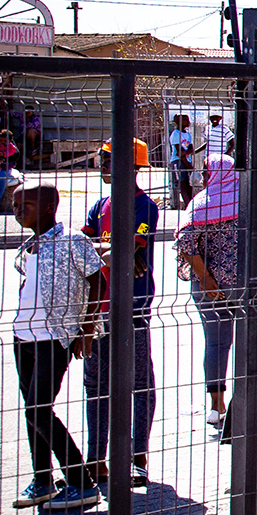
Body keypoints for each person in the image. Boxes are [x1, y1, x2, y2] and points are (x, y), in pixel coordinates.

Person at [10, 184, 106, 510]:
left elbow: (98, 281)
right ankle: (42, 480)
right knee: (33, 410)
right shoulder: (28, 246)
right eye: (15, 204)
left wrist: (87, 328)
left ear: (51, 205)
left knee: (38, 408)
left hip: (55, 337)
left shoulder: (72, 242)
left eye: (27, 204)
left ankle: (81, 481)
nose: (18, 210)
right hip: (23, 337)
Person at [82, 138, 158, 488]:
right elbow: (87, 247)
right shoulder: (99, 206)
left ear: (131, 165)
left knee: (138, 380)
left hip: (132, 306)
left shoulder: (145, 207)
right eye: (102, 159)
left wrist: (114, 249)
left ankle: (136, 455)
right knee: (96, 384)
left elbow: (130, 247)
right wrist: (109, 249)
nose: (103, 165)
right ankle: (96, 458)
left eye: (109, 159)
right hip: (98, 306)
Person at [173, 153, 242, 433]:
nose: (202, 177)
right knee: (254, 342)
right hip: (246, 284)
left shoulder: (200, 204)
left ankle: (217, 406)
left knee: (215, 344)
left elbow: (185, 243)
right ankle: (249, 402)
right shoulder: (248, 199)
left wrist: (206, 279)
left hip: (208, 288)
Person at [167, 114, 196, 206]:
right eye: (185, 120)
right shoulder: (175, 134)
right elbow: (178, 153)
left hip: (187, 161)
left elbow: (191, 149)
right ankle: (187, 205)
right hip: (178, 161)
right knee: (182, 183)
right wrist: (186, 159)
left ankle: (192, 204)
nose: (188, 122)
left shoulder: (187, 134)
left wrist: (186, 153)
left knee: (189, 184)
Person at [0, 129, 16, 210]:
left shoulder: (11, 147)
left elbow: (12, 152)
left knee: (0, 178)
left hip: (5, 166)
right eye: (1, 140)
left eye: (5, 141)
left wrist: (3, 154)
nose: (2, 142)